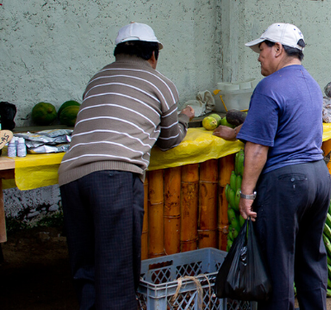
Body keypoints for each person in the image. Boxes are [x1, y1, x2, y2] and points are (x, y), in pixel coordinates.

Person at [58, 22, 194, 309]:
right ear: (153, 55)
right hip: (113, 176)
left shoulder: (97, 78)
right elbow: (169, 141)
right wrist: (183, 118)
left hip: (71, 176)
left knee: (87, 270)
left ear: (118, 52)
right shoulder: (161, 83)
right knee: (117, 274)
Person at [238, 23, 330, 309]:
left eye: (262, 49)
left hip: (287, 183)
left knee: (278, 263)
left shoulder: (269, 86)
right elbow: (288, 125)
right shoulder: (311, 84)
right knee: (311, 258)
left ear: (278, 49)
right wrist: (237, 131)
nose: (259, 57)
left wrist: (246, 193)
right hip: (318, 177)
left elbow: (257, 149)